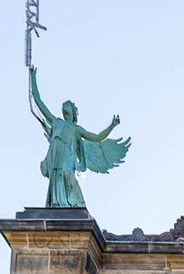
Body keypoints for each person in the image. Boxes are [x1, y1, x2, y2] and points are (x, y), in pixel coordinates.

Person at [29, 67, 130, 209]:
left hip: (67, 159)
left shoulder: (76, 129)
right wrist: (33, 78)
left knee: (68, 179)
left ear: (72, 112)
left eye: (69, 105)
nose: (65, 105)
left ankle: (76, 206)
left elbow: (97, 138)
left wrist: (112, 126)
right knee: (57, 180)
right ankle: (59, 207)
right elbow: (39, 102)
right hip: (56, 158)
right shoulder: (56, 122)